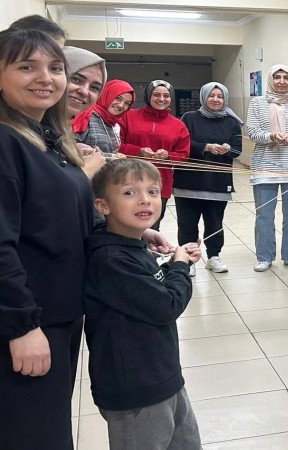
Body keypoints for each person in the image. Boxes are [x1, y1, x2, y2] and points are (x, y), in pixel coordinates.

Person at [0, 28, 93, 450]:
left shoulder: (45, 138)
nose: (46, 78)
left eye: (55, 68)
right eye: (26, 67)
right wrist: (22, 325)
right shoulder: (5, 142)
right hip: (29, 321)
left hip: (60, 312)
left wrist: (131, 232)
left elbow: (51, 216)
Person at [86, 159, 202, 449]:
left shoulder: (132, 247)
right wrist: (179, 266)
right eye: (129, 193)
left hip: (164, 376)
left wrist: (166, 259)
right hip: (136, 389)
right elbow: (166, 306)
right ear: (102, 206)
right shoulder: (110, 258)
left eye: (152, 191)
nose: (145, 200)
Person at [245, 64, 288, 272]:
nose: (282, 81)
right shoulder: (258, 103)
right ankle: (264, 256)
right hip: (265, 168)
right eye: (277, 77)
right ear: (270, 80)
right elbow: (252, 131)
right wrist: (270, 136)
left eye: (286, 77)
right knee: (264, 215)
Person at [175, 82, 243, 276]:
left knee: (214, 222)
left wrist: (228, 149)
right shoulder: (189, 118)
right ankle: (187, 258)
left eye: (220, 96)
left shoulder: (231, 121)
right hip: (188, 181)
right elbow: (183, 144)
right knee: (187, 222)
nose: (215, 99)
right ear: (204, 97)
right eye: (211, 95)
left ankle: (213, 256)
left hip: (218, 182)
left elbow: (238, 150)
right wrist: (206, 147)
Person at [120, 80, 191, 230]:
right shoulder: (128, 116)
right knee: (125, 225)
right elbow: (115, 145)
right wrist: (138, 151)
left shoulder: (178, 125)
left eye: (166, 96)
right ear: (148, 96)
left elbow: (183, 156)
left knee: (152, 227)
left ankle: (149, 254)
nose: (161, 99)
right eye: (156, 95)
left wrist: (168, 155)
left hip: (159, 184)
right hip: (126, 180)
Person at [71, 79, 134, 155]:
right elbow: (68, 147)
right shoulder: (85, 116)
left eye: (127, 103)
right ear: (106, 94)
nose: (121, 105)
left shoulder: (113, 123)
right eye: (118, 98)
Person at [62, 46, 105, 120]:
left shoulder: (61, 129)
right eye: (76, 80)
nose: (84, 92)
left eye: (94, 87)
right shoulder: (37, 127)